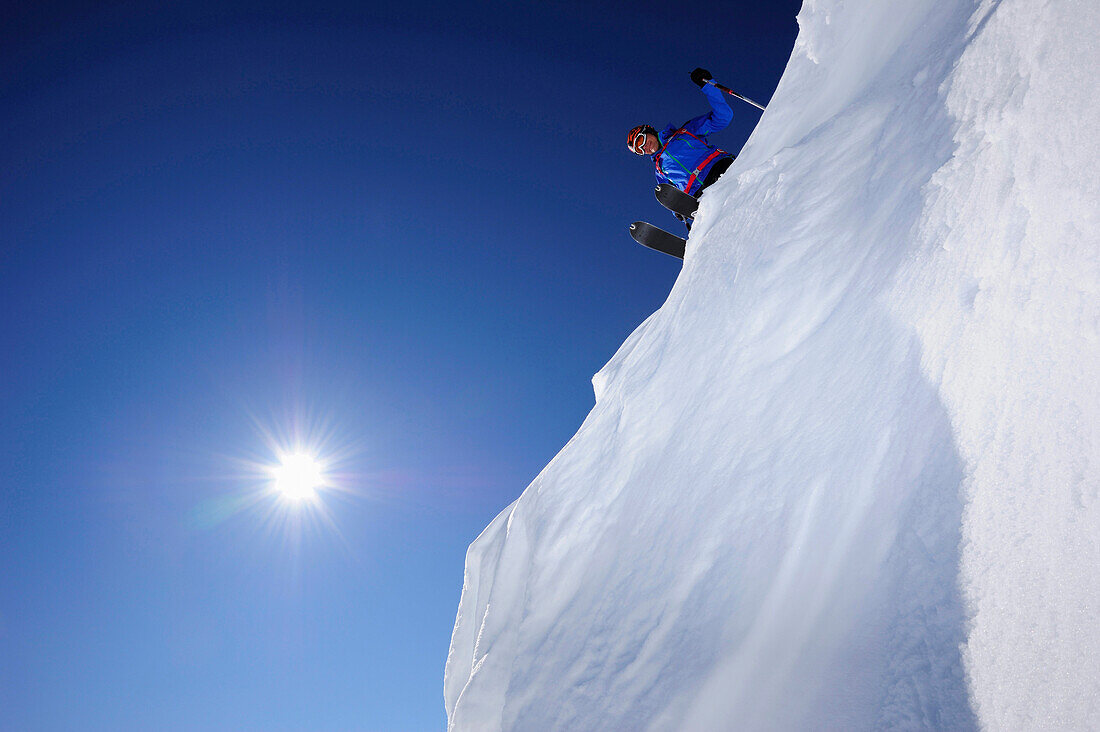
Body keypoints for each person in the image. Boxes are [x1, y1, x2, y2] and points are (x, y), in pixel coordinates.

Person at [627, 68, 735, 226]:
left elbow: (723, 117)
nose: (644, 147)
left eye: (641, 140)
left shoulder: (686, 132)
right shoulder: (659, 169)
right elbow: (670, 194)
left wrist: (709, 85)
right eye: (639, 150)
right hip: (700, 195)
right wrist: (678, 210)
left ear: (648, 130)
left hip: (720, 169)